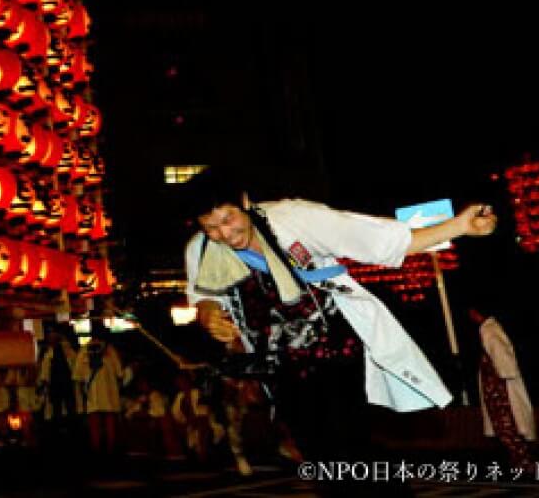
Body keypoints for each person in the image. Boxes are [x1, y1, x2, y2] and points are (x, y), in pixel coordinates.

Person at [184, 170, 497, 464]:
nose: (224, 234)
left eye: (229, 219)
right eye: (211, 227)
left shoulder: (294, 218)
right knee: (318, 453)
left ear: (244, 201)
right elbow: (203, 296)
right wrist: (208, 313)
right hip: (280, 368)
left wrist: (460, 226)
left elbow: (379, 240)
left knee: (350, 446)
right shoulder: (200, 249)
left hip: (335, 351)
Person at [468, 306, 534, 468]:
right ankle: (519, 461)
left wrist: (503, 375)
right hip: (496, 387)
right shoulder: (489, 329)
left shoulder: (489, 330)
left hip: (499, 389)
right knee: (505, 427)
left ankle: (524, 462)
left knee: (507, 425)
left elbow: (501, 357)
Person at [73, 322, 124, 458]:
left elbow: (77, 377)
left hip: (92, 394)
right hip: (110, 393)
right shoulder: (110, 350)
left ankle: (96, 451)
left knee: (94, 423)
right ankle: (111, 451)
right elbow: (120, 373)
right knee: (109, 422)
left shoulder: (83, 351)